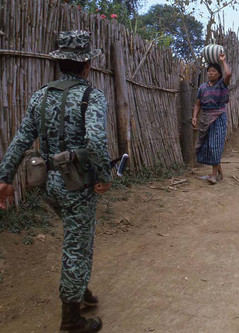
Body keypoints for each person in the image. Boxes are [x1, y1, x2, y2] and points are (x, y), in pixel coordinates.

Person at [0, 30, 112, 332]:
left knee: (78, 238)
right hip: (78, 188)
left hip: (49, 185)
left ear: (60, 63)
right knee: (77, 247)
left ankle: (81, 292)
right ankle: (71, 320)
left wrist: (5, 176)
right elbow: (97, 141)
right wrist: (105, 176)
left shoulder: (41, 96)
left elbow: (22, 138)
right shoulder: (92, 96)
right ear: (87, 65)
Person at [192, 52, 232, 184]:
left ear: (219, 74)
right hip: (205, 118)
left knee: (215, 145)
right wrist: (194, 117)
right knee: (208, 146)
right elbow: (198, 104)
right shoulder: (202, 87)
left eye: (213, 71)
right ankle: (220, 172)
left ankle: (213, 176)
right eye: (209, 71)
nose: (210, 73)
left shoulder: (222, 84)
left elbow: (228, 74)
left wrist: (223, 61)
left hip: (218, 117)